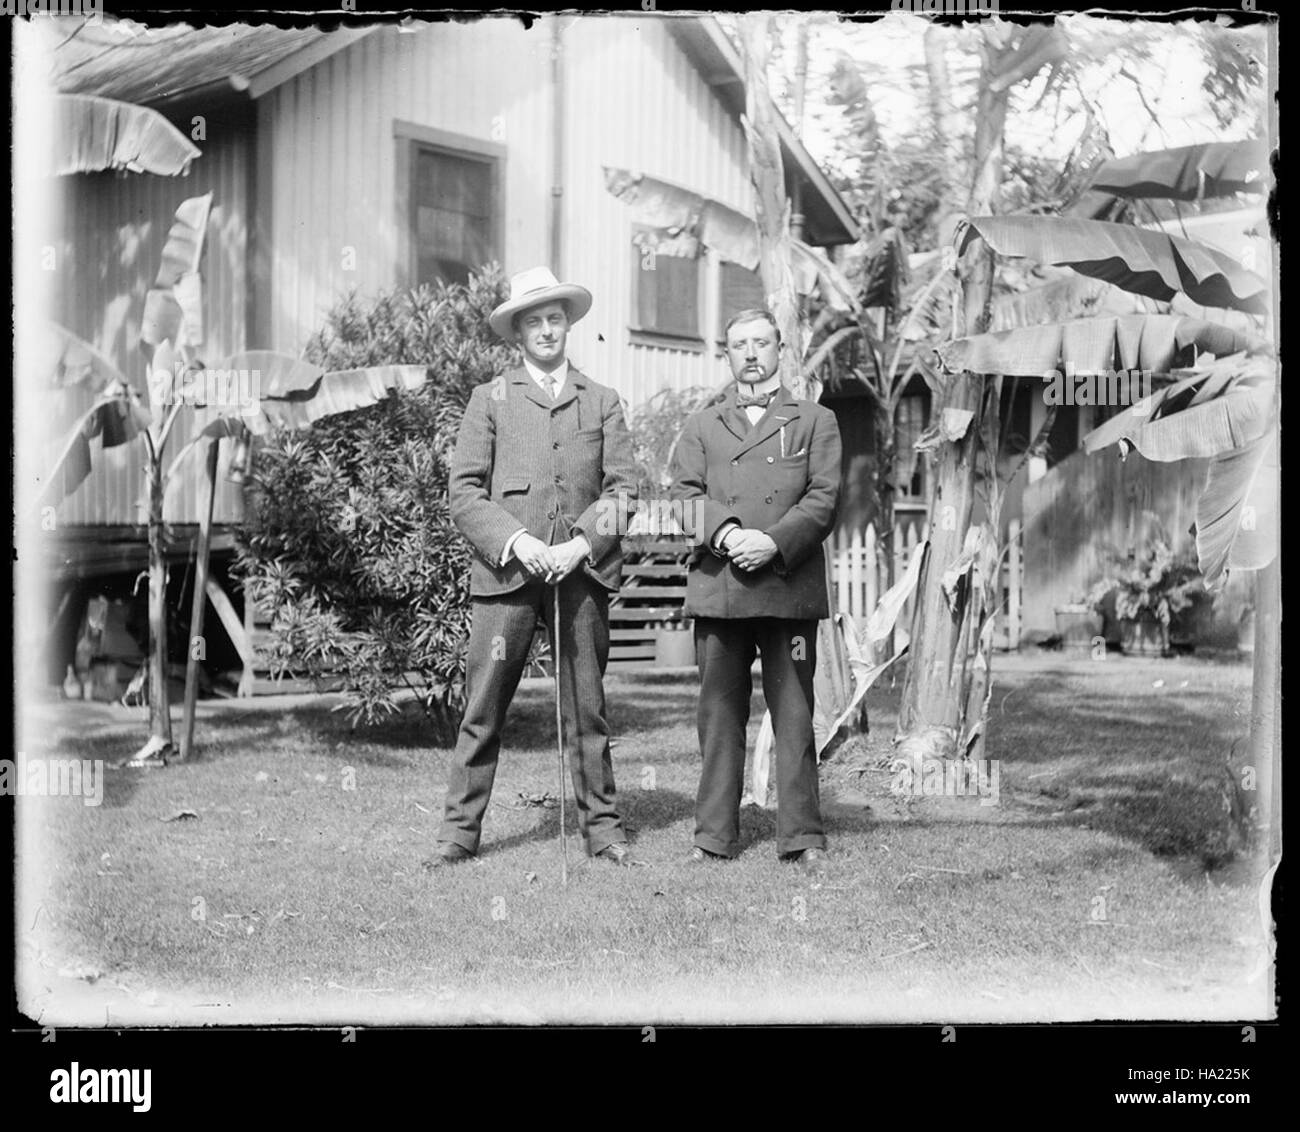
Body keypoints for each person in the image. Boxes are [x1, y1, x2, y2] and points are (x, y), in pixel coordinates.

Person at [425, 267, 641, 868]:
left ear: (567, 325)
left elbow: (624, 490)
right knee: (483, 707)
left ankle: (603, 830)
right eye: (534, 321)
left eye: (555, 318)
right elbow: (464, 493)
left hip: (581, 577)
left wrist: (581, 545)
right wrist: (518, 542)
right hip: (507, 579)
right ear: (516, 334)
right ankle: (459, 834)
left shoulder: (602, 401)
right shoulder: (487, 400)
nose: (546, 330)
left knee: (588, 709)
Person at [668, 307, 842, 876]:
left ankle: (803, 836)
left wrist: (771, 541)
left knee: (794, 711)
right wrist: (726, 532)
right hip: (721, 585)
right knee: (718, 714)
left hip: (786, 586)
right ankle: (713, 837)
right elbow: (684, 495)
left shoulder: (816, 420)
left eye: (760, 342)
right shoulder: (702, 424)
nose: (749, 353)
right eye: (738, 344)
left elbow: (823, 499)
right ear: (727, 352)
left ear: (779, 349)